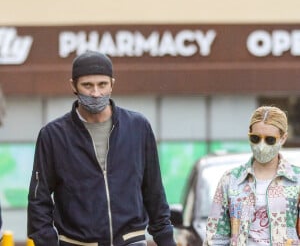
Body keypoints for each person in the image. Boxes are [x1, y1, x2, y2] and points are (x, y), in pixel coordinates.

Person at [27, 51, 176, 246]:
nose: (96, 93)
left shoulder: (138, 127)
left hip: (131, 241)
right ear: (73, 85)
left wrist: (166, 239)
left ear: (112, 84)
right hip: (77, 242)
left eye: (102, 85)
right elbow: (39, 199)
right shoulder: (53, 135)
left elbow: (154, 190)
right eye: (87, 85)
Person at [204, 105, 300, 246]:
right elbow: (215, 238)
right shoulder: (230, 180)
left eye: (270, 140)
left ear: (283, 138)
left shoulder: (297, 180)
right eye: (255, 138)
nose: (261, 145)